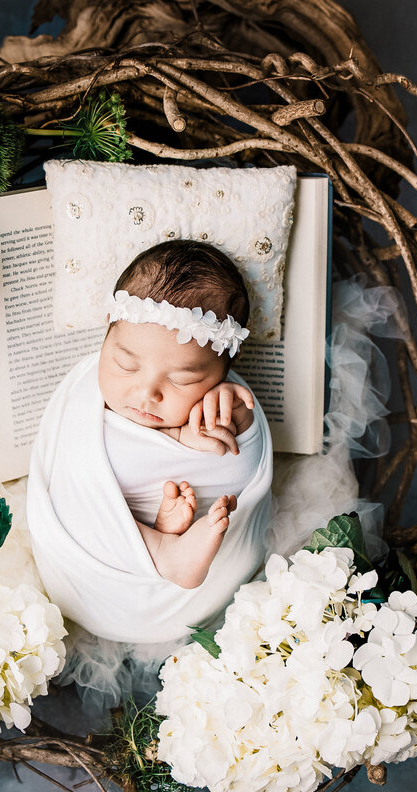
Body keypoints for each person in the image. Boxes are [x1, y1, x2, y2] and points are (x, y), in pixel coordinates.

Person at [27, 240, 274, 645]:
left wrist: (223, 417)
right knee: (77, 497)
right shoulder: (84, 393)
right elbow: (65, 466)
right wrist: (176, 434)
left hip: (191, 568)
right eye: (125, 364)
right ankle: (157, 545)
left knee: (227, 442)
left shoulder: (219, 401)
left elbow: (241, 462)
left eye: (183, 380)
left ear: (224, 369)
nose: (146, 394)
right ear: (107, 335)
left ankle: (164, 540)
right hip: (89, 568)